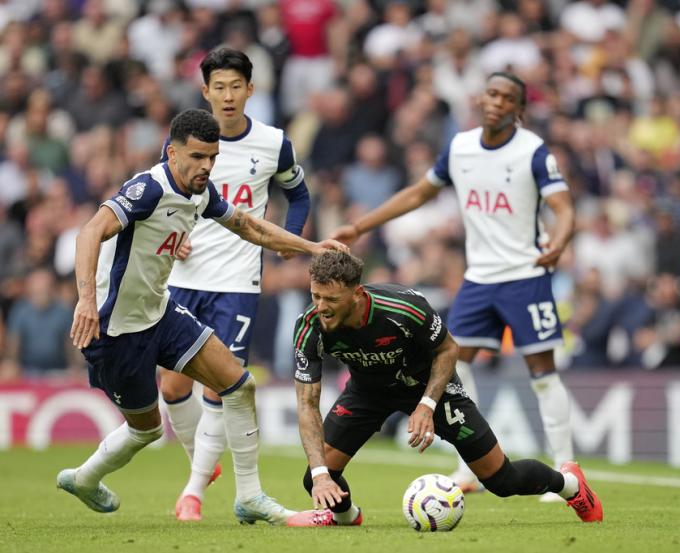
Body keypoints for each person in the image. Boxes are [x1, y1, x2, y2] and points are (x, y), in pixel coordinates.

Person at [57, 108, 345, 525]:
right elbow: (89, 233)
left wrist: (312, 248)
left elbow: (251, 226)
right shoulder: (148, 190)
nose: (206, 166)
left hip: (159, 313)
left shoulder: (200, 193)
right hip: (115, 329)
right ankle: (85, 479)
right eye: (197, 157)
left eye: (211, 157)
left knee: (240, 386)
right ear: (172, 153)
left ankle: (250, 496)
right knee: (147, 430)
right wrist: (86, 300)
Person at [331, 72, 576, 498]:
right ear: (482, 98)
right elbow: (417, 194)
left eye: (507, 98)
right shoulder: (460, 147)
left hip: (525, 273)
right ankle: (469, 461)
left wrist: (561, 237)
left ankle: (566, 467)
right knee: (454, 362)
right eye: (492, 93)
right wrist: (360, 225)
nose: (497, 102)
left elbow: (563, 205)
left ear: (519, 109)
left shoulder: (532, 151)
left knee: (542, 372)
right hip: (478, 278)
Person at [288, 251, 602, 526]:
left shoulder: (403, 308)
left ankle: (570, 485)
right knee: (315, 476)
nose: (321, 307)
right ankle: (346, 517)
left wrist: (426, 404)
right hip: (367, 392)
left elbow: (449, 350)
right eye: (315, 296)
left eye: (331, 299)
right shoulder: (310, 326)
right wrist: (320, 477)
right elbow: (307, 404)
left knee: (502, 481)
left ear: (356, 293)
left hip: (428, 386)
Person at [158, 48, 311, 522]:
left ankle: (193, 493)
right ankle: (201, 466)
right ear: (205, 91)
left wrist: (292, 239)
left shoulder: (273, 143)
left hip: (238, 283)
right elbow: (161, 198)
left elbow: (298, 194)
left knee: (222, 390)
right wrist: (172, 237)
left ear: (250, 89)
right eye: (217, 87)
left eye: (235, 86)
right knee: (170, 386)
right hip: (182, 279)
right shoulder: (185, 138)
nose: (227, 96)